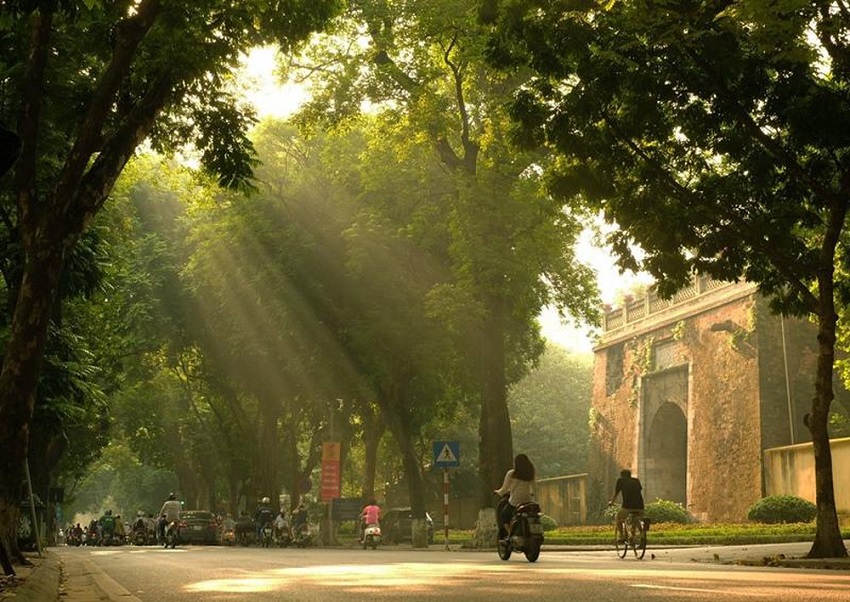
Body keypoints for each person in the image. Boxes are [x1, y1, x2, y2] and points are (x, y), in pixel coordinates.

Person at [493, 453, 537, 538]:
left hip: (515, 502)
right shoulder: (530, 473)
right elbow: (534, 487)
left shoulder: (511, 474)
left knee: (504, 515)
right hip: (528, 501)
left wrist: (497, 492)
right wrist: (533, 498)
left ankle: (510, 534)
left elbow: (504, 490)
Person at [608, 469, 645, 542]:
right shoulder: (636, 481)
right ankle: (641, 534)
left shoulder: (620, 481)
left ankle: (622, 536)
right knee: (635, 518)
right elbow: (639, 490)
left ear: (621, 476)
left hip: (627, 506)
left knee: (618, 518)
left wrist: (611, 502)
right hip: (640, 506)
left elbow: (616, 493)